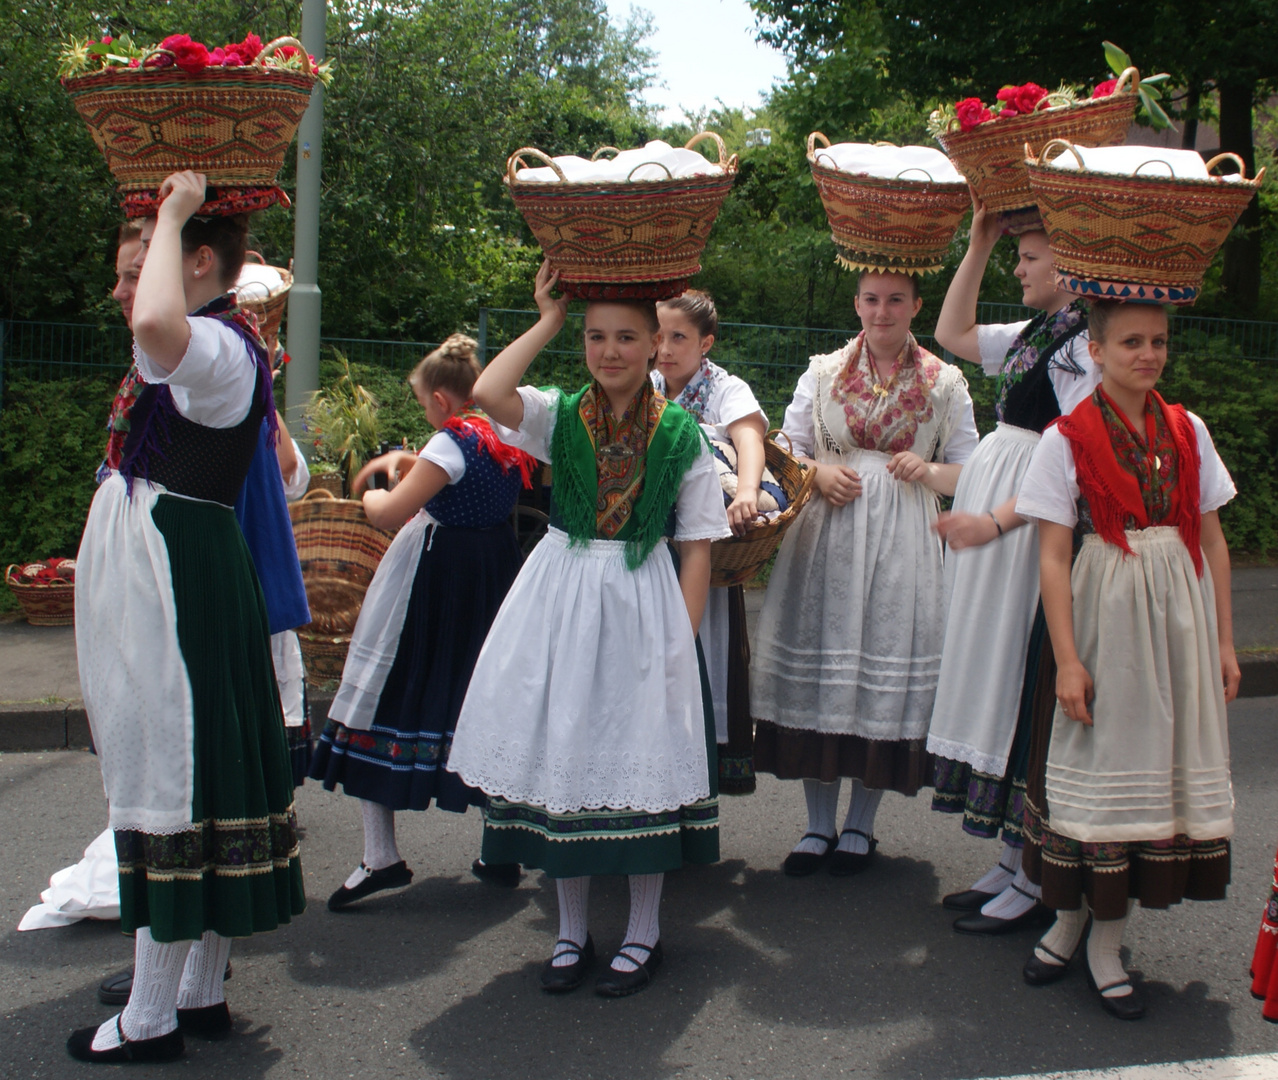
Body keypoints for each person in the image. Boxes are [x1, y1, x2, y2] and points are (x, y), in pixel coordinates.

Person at [69, 171, 304, 1063]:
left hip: (178, 578)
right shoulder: (212, 345)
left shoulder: (213, 343)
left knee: (172, 772)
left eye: (139, 268)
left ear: (199, 263)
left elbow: (155, 325)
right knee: (191, 772)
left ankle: (150, 1016)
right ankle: (199, 992)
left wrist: (167, 211)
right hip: (172, 568)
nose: (124, 291)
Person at [446, 260, 731, 997]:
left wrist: (681, 641)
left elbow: (697, 546)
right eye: (597, 337)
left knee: (640, 763)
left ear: (656, 344)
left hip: (644, 605)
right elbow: (486, 392)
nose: (610, 351)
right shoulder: (556, 414)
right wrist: (546, 319)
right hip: (562, 598)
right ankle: (571, 932)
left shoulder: (684, 437)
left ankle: (644, 933)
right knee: (564, 754)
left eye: (628, 337)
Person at [1014, 300, 1239, 1020]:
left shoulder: (1188, 430)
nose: (1148, 354)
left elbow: (1210, 539)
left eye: (1159, 342)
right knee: (1095, 775)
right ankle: (1069, 921)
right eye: (1132, 342)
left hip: (1175, 620)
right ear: (1099, 350)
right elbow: (1052, 555)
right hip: (1103, 614)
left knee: (1149, 777)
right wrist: (1069, 660)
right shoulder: (1065, 438)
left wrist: (1225, 641)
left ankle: (1106, 939)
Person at [751, 270, 978, 877]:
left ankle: (861, 824)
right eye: (872, 300)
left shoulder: (946, 382)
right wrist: (818, 474)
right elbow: (783, 447)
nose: (882, 312)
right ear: (856, 304)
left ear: (915, 306)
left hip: (902, 538)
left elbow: (974, 471)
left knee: (881, 664)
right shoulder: (822, 371)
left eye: (895, 300)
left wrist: (929, 473)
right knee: (824, 669)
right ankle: (817, 825)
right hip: (828, 533)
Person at [309, 334, 533, 909]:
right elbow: (452, 473)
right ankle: (500, 850)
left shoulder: (447, 442)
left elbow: (389, 513)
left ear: (439, 399)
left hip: (435, 579)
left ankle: (380, 854)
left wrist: (368, 494)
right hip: (491, 571)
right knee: (486, 699)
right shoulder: (502, 434)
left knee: (388, 692)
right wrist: (410, 461)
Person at [925, 198, 1099, 935]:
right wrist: (976, 244)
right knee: (985, 667)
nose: (1018, 268)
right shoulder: (1040, 331)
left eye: (1029, 256)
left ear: (1068, 263)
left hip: (1029, 528)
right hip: (1000, 518)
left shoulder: (1082, 345)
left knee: (1012, 675)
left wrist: (999, 519)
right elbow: (951, 331)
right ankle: (1009, 854)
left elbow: (1079, 457)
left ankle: (1032, 872)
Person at [653, 290, 767, 793]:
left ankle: (697, 787)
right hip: (651, 545)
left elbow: (748, 440)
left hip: (707, 539)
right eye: (659, 335)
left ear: (706, 343)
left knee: (703, 657)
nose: (666, 347)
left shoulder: (725, 387)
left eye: (680, 336)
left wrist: (746, 491)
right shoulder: (644, 381)